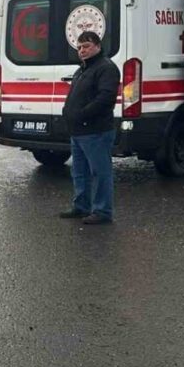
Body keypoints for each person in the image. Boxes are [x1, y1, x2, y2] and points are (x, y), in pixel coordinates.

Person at [59, 31, 120, 225]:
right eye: (79, 47)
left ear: (97, 46)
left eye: (86, 46)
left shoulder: (106, 68)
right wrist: (68, 112)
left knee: (100, 172)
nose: (82, 51)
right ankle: (81, 206)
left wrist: (82, 114)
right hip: (78, 131)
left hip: (96, 130)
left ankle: (102, 211)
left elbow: (105, 98)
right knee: (79, 171)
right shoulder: (83, 69)